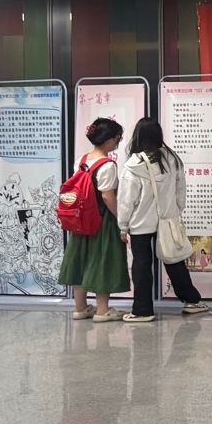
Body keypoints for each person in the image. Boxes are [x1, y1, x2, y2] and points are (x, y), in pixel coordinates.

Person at [117, 116, 209, 321]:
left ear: (138, 136)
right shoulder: (172, 159)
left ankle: (142, 311)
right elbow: (180, 191)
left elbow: (126, 200)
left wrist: (123, 226)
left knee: (141, 265)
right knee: (174, 261)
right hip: (167, 220)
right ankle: (192, 301)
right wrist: (175, 211)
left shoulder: (134, 164)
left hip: (140, 223)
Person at [62, 118, 130, 321]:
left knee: (80, 260)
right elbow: (107, 196)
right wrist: (122, 218)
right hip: (102, 220)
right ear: (108, 140)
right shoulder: (107, 165)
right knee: (102, 260)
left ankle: (80, 307)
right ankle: (102, 309)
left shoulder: (81, 160)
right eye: (117, 138)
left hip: (81, 218)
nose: (118, 142)